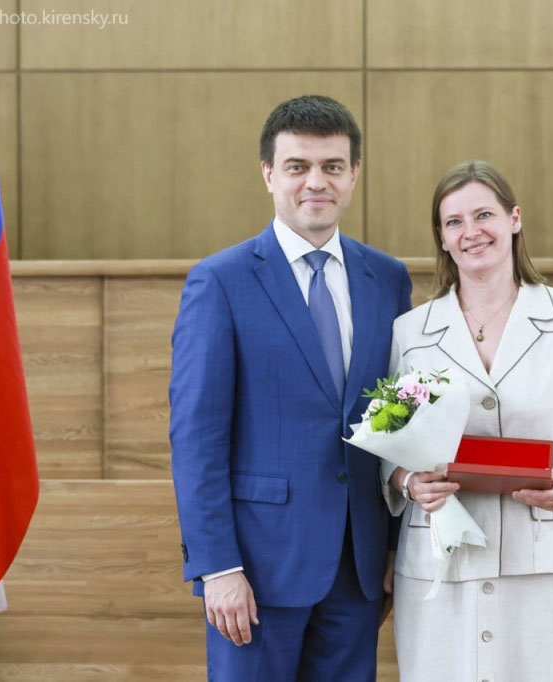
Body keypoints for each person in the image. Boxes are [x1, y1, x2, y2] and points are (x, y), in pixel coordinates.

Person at [169, 95, 412, 681]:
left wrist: (392, 548)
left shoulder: (388, 278)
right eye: (298, 166)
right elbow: (197, 437)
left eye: (332, 166)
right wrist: (217, 566)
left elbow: (398, 417)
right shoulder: (220, 280)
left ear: (354, 174)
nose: (316, 182)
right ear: (268, 174)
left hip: (358, 568)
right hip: (256, 570)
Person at [382, 161, 553, 681]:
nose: (470, 232)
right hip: (443, 557)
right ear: (441, 238)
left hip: (549, 559)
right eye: (454, 222)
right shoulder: (410, 331)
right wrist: (407, 481)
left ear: (514, 219)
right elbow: (389, 444)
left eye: (484, 215)